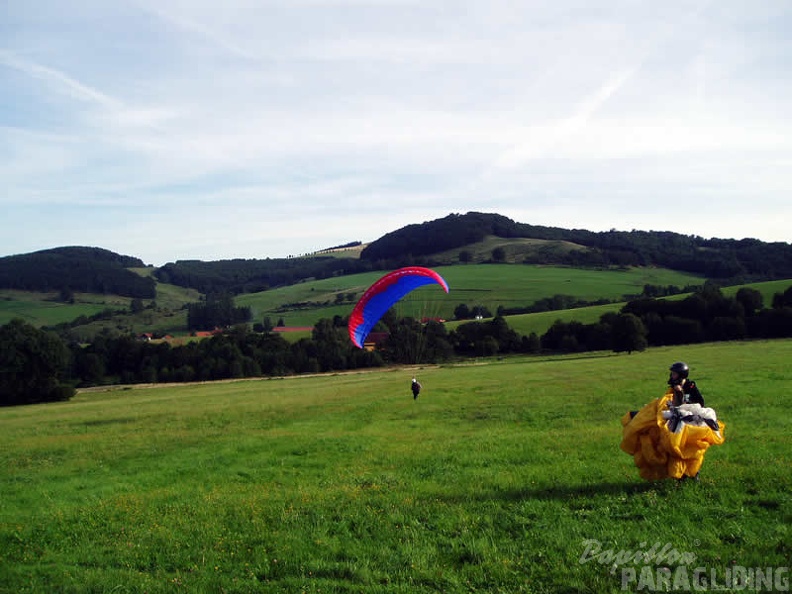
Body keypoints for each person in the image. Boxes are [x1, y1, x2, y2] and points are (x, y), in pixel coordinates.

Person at [620, 361, 725, 482]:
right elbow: (670, 402)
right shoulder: (673, 387)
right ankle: (679, 474)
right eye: (672, 373)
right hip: (674, 417)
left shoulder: (690, 387)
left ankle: (693, 473)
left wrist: (683, 399)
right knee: (666, 442)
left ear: (681, 375)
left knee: (687, 448)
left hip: (689, 421)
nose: (671, 376)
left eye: (674, 374)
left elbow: (700, 403)